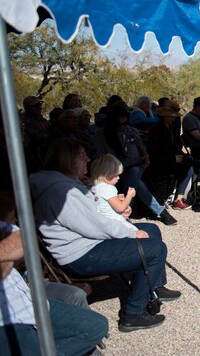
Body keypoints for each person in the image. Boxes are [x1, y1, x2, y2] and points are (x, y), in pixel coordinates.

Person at [30, 138, 181, 331]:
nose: (88, 159)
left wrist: (122, 218)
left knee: (152, 229)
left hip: (88, 242)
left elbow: (96, 216)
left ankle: (154, 285)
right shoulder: (61, 191)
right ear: (68, 160)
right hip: (80, 254)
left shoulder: (67, 184)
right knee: (156, 250)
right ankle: (134, 313)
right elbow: (95, 225)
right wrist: (131, 231)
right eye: (82, 156)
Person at [0, 217, 109, 355]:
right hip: (7, 322)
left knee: (96, 325)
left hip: (26, 300)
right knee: (75, 295)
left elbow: (22, 240)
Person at [93, 107, 177, 225]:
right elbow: (101, 156)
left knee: (132, 178)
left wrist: (146, 157)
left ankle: (124, 211)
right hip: (112, 169)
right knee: (135, 183)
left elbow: (141, 147)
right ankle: (160, 211)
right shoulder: (101, 135)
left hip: (135, 165)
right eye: (119, 125)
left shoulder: (131, 131)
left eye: (125, 123)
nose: (122, 127)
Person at [147, 100, 194, 210]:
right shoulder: (157, 129)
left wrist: (182, 154)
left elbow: (174, 145)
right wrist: (173, 157)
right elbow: (155, 150)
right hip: (160, 161)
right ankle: (179, 198)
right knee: (187, 169)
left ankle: (181, 196)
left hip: (169, 158)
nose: (174, 118)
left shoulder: (170, 127)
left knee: (190, 163)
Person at [90, 154, 139, 232]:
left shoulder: (95, 187)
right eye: (116, 175)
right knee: (138, 233)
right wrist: (129, 196)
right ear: (107, 175)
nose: (118, 178)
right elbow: (120, 208)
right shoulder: (107, 188)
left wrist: (116, 198)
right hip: (116, 223)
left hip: (105, 223)